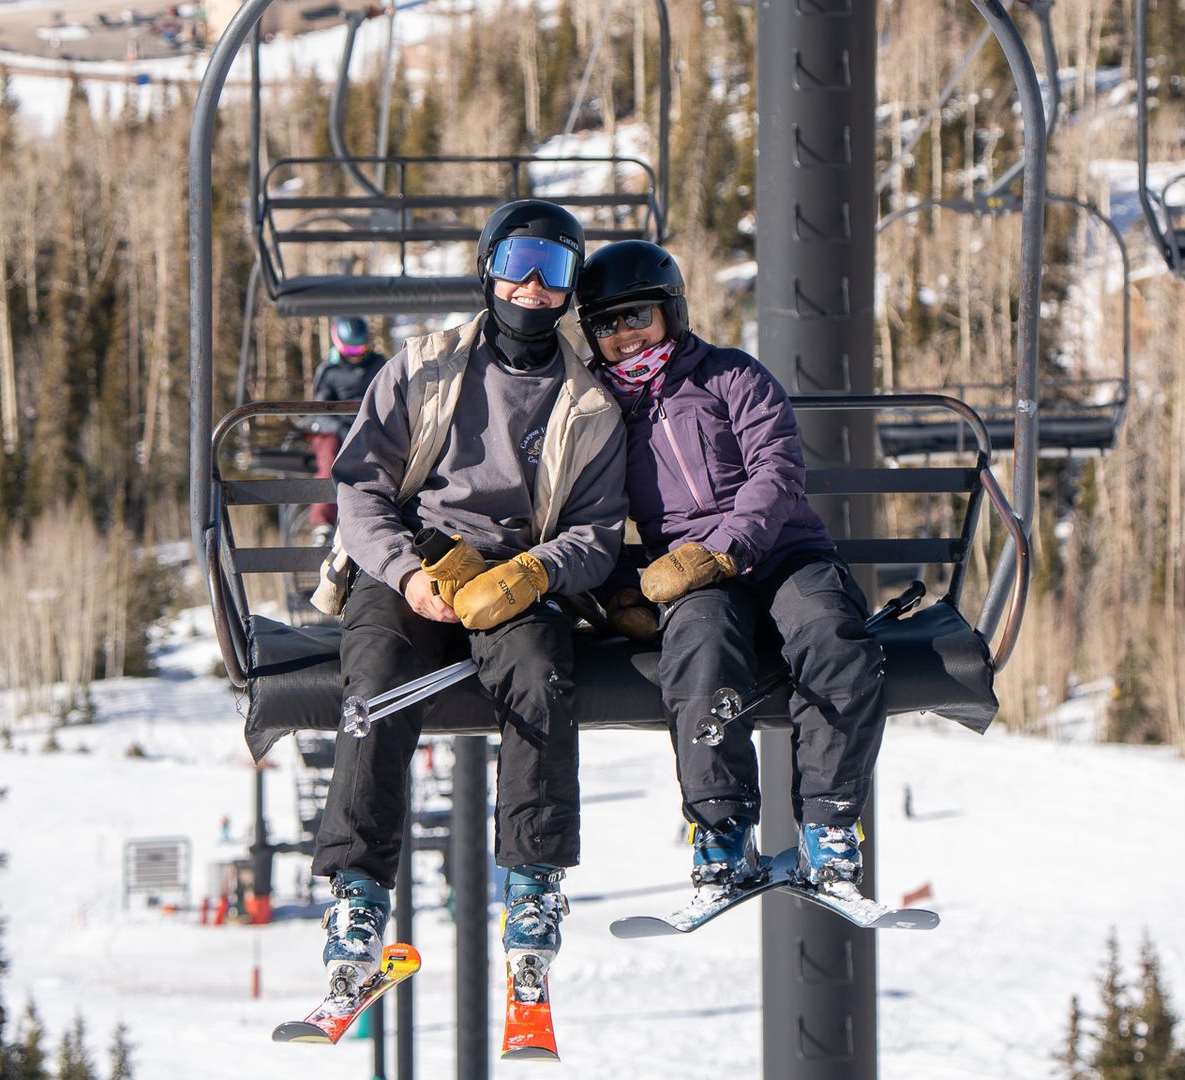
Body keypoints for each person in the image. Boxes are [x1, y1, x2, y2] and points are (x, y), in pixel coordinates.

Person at [308, 200, 628, 1001]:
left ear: (569, 289)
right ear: (487, 266)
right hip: (416, 559)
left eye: (552, 271)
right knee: (377, 672)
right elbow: (362, 486)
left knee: (539, 668)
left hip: (518, 570)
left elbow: (597, 531)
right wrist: (407, 574)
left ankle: (533, 878)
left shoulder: (589, 404)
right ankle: (357, 889)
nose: (529, 287)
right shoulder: (426, 366)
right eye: (516, 262)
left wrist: (534, 575)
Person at [576, 239, 886, 905]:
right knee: (699, 649)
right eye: (607, 325)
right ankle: (721, 832)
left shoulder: (729, 376)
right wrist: (614, 590)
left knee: (833, 637)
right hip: (691, 577)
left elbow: (776, 465)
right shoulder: (599, 413)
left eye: (637, 317)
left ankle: (829, 826)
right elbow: (587, 508)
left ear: (670, 312)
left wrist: (729, 544)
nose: (624, 336)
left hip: (780, 549)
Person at [307, 316, 389, 542]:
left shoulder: (378, 364)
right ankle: (323, 522)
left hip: (369, 426)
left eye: (361, 348)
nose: (357, 355)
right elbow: (318, 410)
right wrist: (339, 428)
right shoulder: (329, 371)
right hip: (336, 429)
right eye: (352, 350)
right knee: (329, 455)